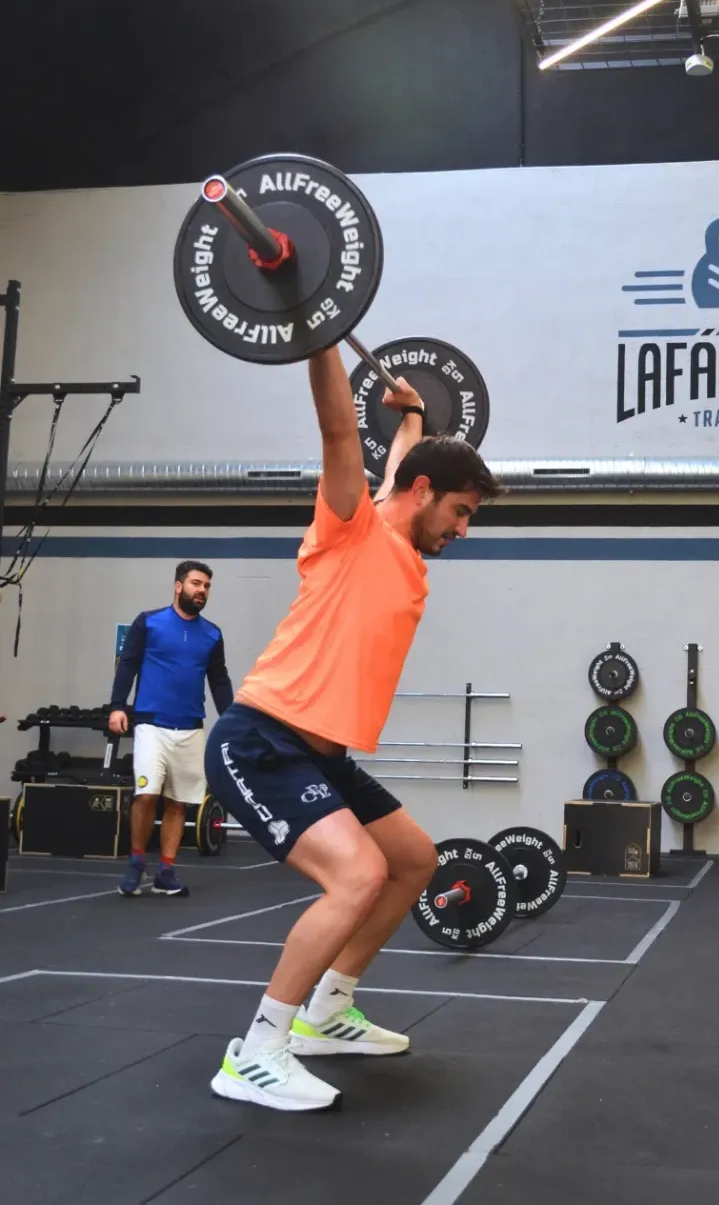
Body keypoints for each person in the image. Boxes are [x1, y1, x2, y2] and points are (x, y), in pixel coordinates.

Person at [203, 344, 501, 1113]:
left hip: (320, 753)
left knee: (411, 861)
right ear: (426, 492)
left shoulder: (400, 541)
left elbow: (403, 459)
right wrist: (319, 329)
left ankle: (326, 1013)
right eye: (462, 512)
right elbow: (339, 430)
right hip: (260, 738)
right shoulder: (349, 527)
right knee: (356, 874)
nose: (465, 531)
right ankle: (257, 1050)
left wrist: (412, 416)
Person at [110, 561, 234, 898]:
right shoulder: (148, 622)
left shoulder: (212, 634)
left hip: (190, 728)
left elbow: (219, 680)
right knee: (147, 794)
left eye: (206, 586)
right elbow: (129, 665)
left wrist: (232, 718)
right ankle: (136, 861)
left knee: (178, 803)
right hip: (151, 724)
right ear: (178, 586)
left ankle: (166, 871)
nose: (202, 591)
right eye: (196, 583)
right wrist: (117, 705)